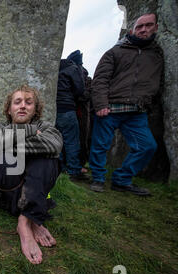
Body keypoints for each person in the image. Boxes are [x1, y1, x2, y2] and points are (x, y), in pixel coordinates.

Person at [0, 85, 63, 265]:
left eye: (29, 102)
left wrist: (8, 144)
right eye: (17, 102)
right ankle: (34, 216)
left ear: (35, 109)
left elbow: (54, 146)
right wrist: (29, 132)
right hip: (8, 190)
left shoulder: (46, 127)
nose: (23, 106)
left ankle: (26, 219)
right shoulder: (1, 128)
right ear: (9, 109)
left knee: (50, 159)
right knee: (11, 157)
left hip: (33, 189)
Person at [89, 13, 163, 196]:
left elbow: (158, 82)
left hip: (137, 111)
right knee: (101, 145)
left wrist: (150, 102)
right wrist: (100, 104)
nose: (144, 29)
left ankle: (122, 179)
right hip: (111, 107)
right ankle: (97, 178)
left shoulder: (156, 56)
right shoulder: (115, 51)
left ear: (156, 28)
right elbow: (100, 79)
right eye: (140, 26)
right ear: (132, 30)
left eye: (148, 25)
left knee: (147, 146)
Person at [55, 50, 88, 181]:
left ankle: (60, 167)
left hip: (55, 108)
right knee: (72, 141)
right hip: (68, 108)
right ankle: (74, 170)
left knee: (58, 140)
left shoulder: (58, 66)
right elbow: (79, 89)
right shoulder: (73, 68)